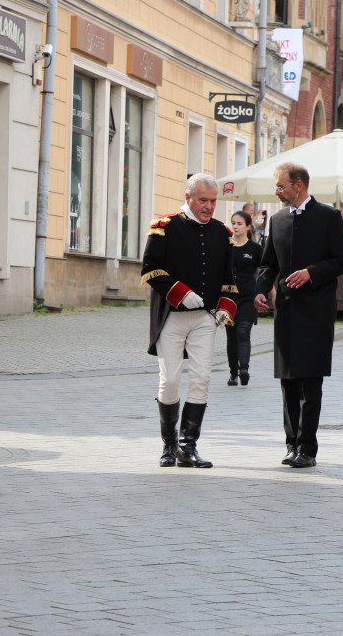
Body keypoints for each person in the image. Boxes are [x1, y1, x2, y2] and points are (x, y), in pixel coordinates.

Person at [254, 163, 343, 468]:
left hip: (316, 311)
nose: (276, 191)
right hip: (286, 311)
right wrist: (260, 289)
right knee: (288, 381)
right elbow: (268, 263)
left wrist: (312, 272)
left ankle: (307, 448)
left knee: (310, 382)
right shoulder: (277, 220)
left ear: (298, 185)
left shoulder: (328, 216)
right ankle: (291, 444)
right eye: (275, 186)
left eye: (280, 186)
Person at [142, 174, 237, 468]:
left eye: (213, 201)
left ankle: (188, 447)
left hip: (205, 319)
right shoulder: (164, 227)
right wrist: (181, 294)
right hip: (172, 316)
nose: (209, 206)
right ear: (188, 197)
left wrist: (225, 309)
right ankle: (169, 445)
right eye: (203, 200)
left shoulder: (222, 232)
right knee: (170, 380)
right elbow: (150, 270)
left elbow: (228, 279)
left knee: (201, 379)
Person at [227, 210, 262, 387]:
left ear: (248, 226)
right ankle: (233, 372)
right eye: (233, 223)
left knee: (243, 332)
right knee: (232, 336)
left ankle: (244, 370)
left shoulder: (255, 249)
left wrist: (271, 294)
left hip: (248, 296)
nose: (235, 226)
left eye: (239, 223)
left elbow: (265, 272)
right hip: (228, 297)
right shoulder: (226, 247)